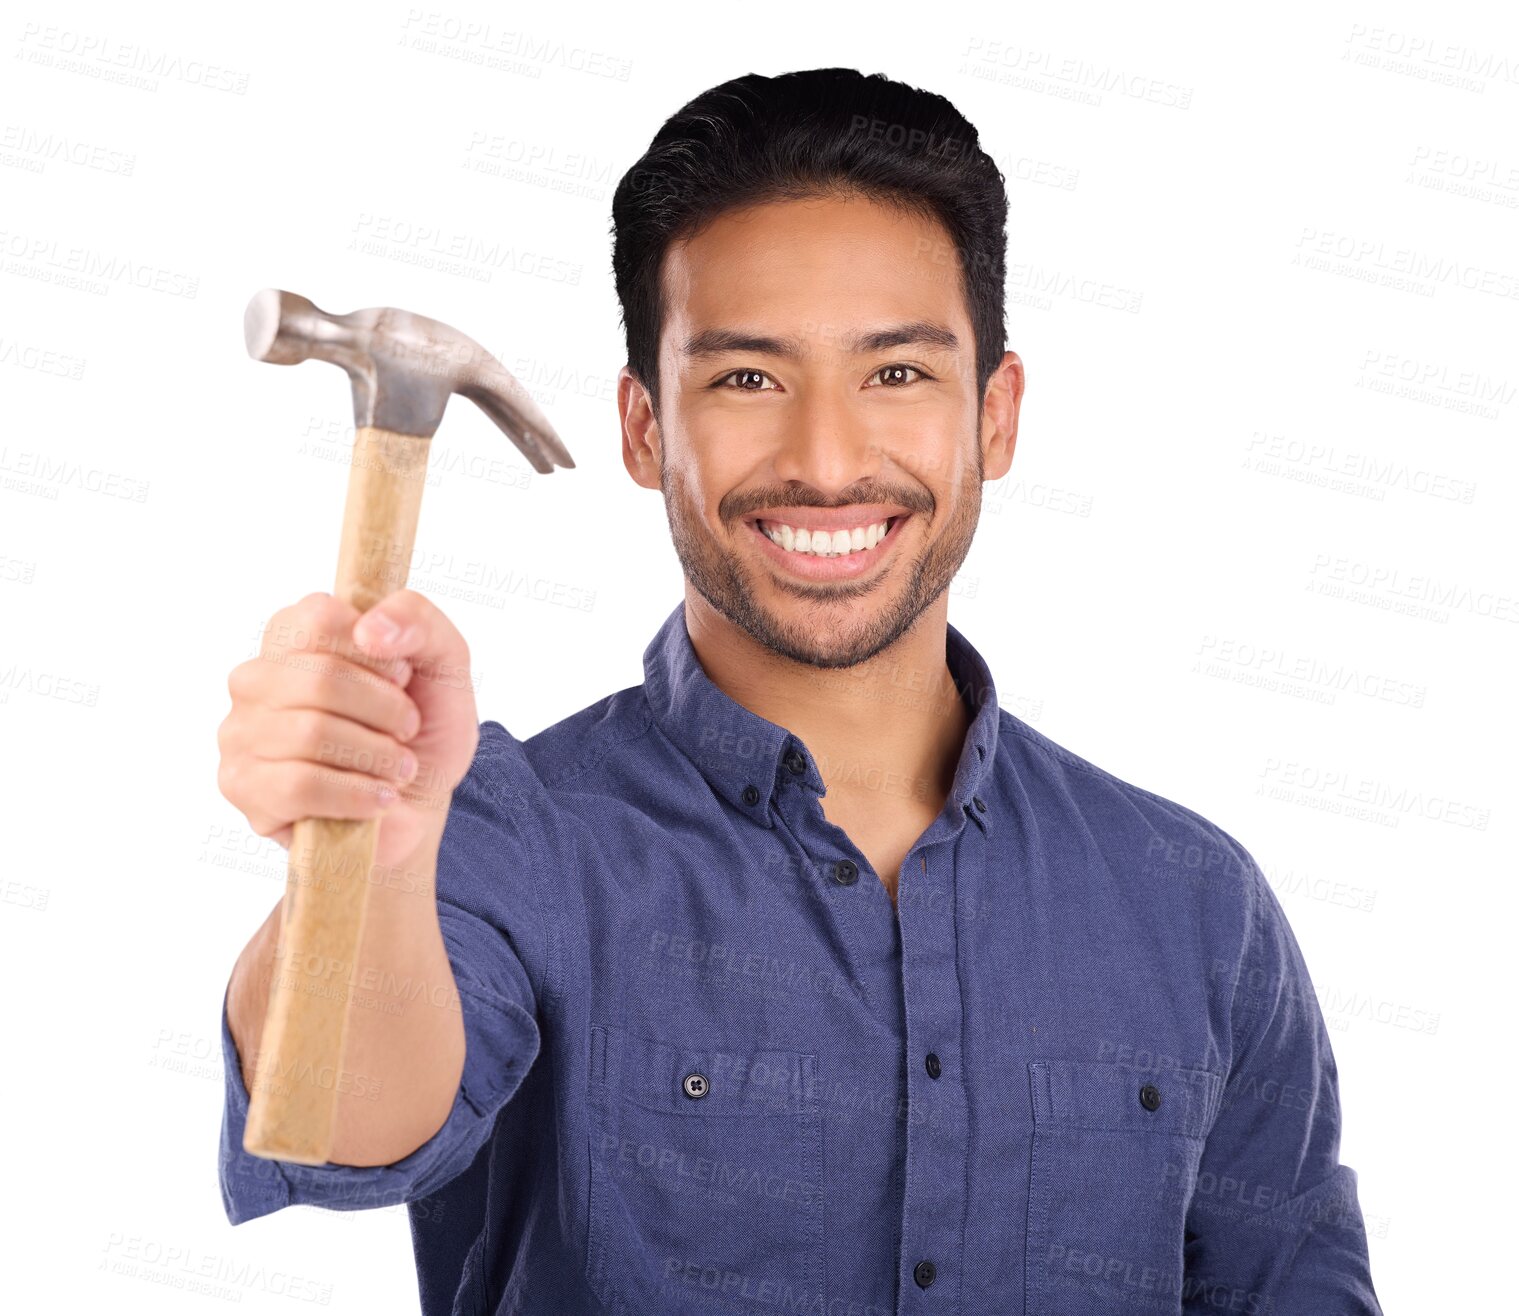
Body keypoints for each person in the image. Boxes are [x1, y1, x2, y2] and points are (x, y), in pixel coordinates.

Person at [216, 67, 1383, 1316]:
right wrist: (371, 856)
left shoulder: (1192, 899)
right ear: (644, 426)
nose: (827, 463)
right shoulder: (505, 830)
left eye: (895, 375)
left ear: (994, 414)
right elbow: (341, 1129)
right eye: (746, 379)